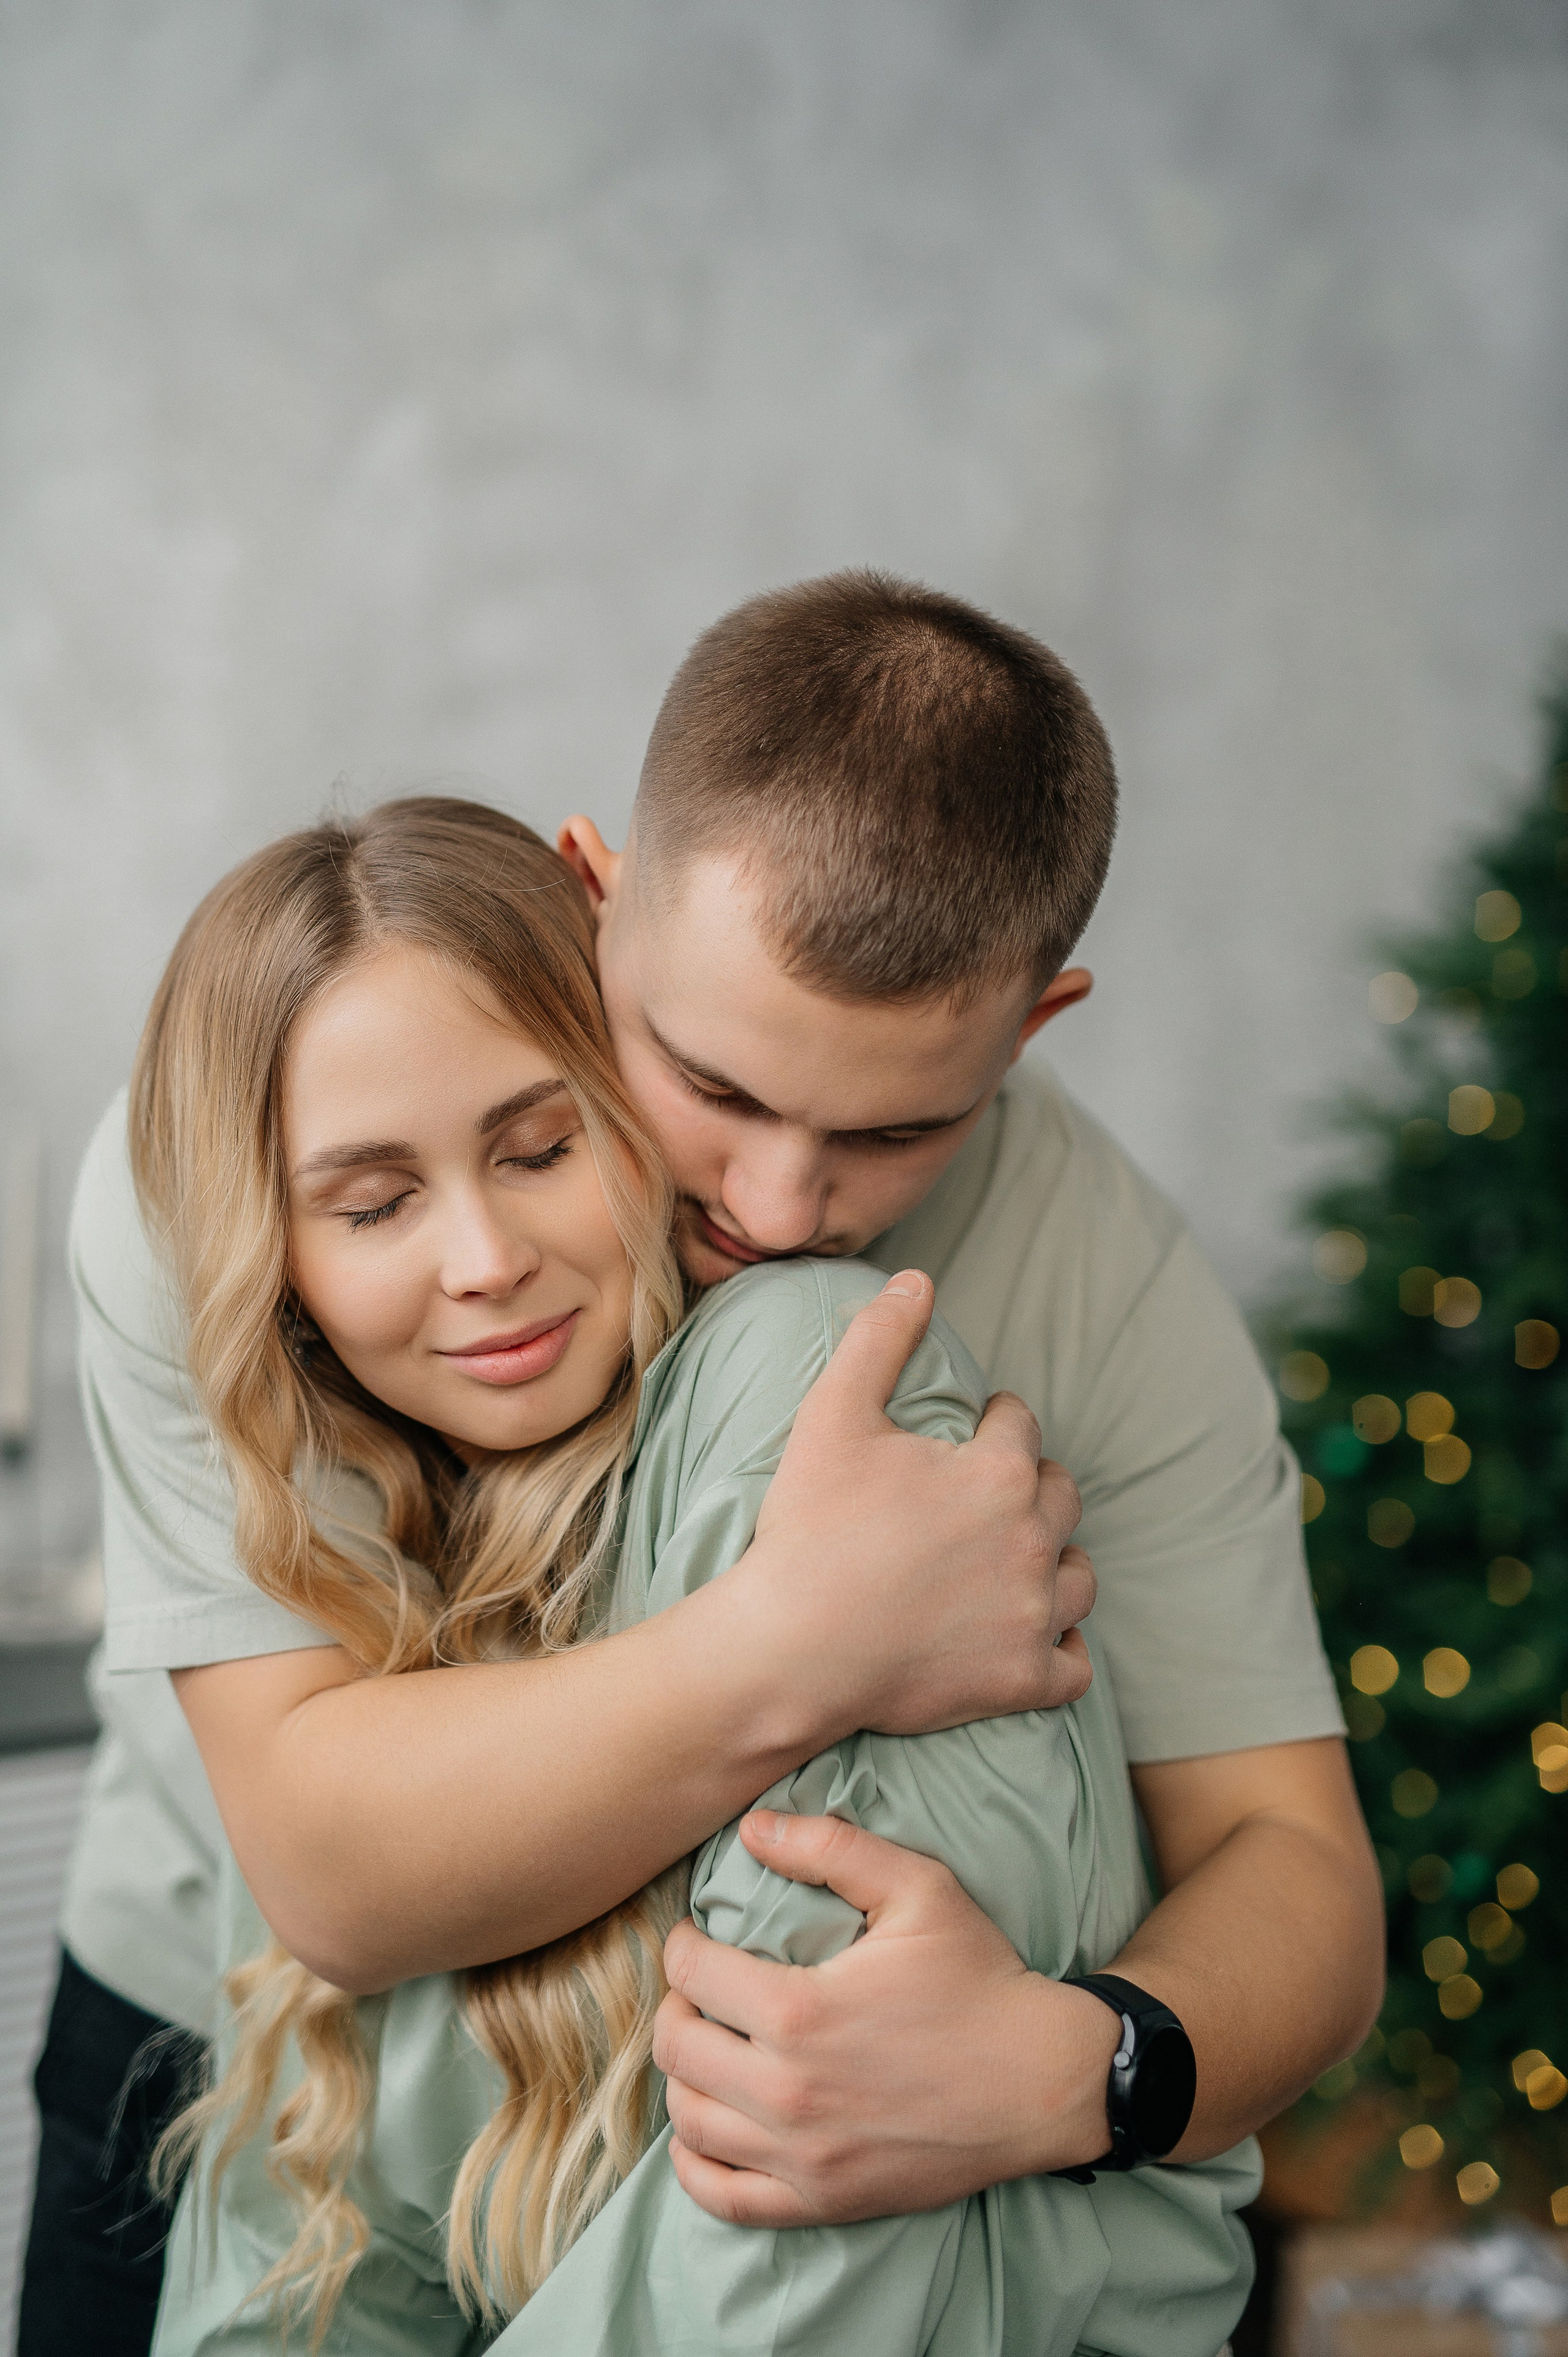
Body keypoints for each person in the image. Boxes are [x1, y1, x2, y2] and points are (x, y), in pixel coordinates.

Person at [21, 572, 1380, 2355]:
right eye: (712, 1087)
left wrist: (1071, 2069)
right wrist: (819, 1633)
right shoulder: (248, 1143)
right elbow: (337, 1877)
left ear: (1036, 1025)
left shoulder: (1105, 1278)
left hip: (769, 2092)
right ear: (595, 901)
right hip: (245, 2039)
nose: (777, 1205)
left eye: (895, 1130)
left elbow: (1299, 1875)